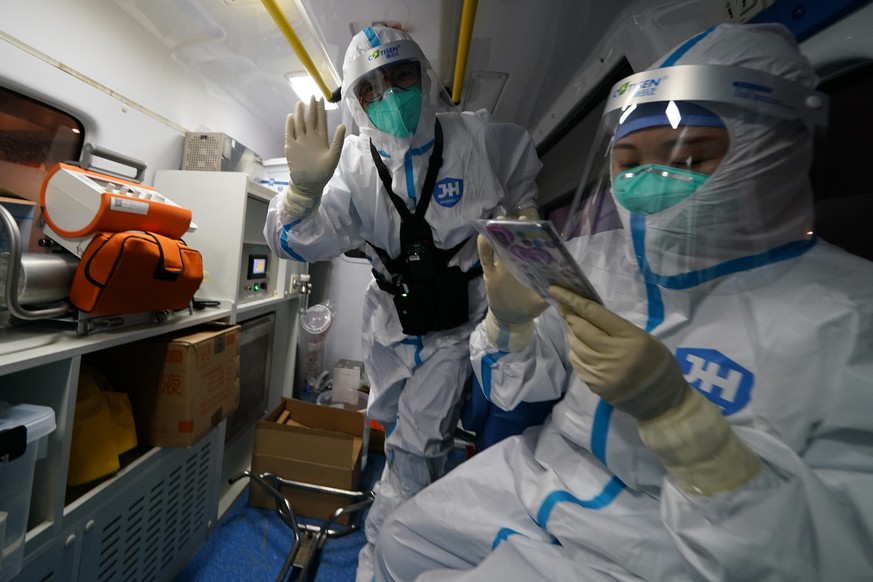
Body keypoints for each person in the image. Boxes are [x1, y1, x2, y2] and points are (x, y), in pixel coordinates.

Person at [373, 22, 873, 581]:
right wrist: (509, 326)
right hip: (546, 475)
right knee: (401, 542)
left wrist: (686, 428)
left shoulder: (850, 316)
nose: (645, 181)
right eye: (629, 159)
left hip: (671, 547)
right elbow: (515, 390)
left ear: (768, 153)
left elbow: (840, 553)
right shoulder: (595, 260)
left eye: (688, 156)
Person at [262, 25, 542, 581]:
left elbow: (526, 208)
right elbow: (293, 241)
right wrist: (300, 195)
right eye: (368, 88)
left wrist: (522, 269)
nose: (387, 96)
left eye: (401, 76)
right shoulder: (352, 166)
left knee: (418, 447)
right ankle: (420, 517)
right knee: (389, 427)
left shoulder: (484, 143)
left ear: (426, 76)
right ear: (356, 102)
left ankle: (380, 560)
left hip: (454, 325)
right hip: (389, 318)